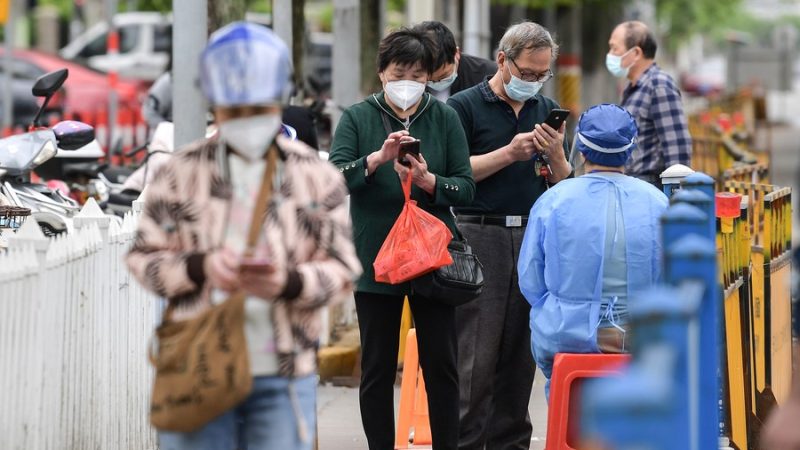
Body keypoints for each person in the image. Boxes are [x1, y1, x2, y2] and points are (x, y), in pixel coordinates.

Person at [125, 22, 362, 450]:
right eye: (234, 108)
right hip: (197, 367)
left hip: (283, 371)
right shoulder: (180, 173)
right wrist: (200, 267)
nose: (245, 119)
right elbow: (143, 259)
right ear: (214, 102)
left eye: (256, 107)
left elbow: (344, 269)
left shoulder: (314, 176)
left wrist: (288, 282)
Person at [328, 27, 475, 450]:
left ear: (430, 76)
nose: (408, 82)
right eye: (399, 73)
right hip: (377, 260)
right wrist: (376, 159)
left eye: (418, 74)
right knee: (376, 367)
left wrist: (430, 182)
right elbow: (333, 181)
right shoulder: (358, 117)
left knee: (441, 364)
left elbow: (465, 187)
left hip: (432, 262)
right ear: (382, 74)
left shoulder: (444, 118)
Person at [446, 21, 572, 450]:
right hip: (479, 233)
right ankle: (467, 439)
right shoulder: (463, 107)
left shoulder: (545, 108)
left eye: (542, 75)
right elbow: (456, 173)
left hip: (532, 235)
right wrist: (509, 153)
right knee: (476, 353)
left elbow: (562, 183)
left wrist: (555, 153)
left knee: (522, 349)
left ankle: (510, 441)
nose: (534, 83)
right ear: (502, 60)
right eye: (528, 73)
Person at [518, 103, 669, 394]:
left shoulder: (553, 201)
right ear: (630, 151)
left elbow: (531, 281)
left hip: (566, 338)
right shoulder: (658, 203)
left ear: (580, 150)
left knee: (567, 399)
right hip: (642, 338)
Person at [607, 20, 692, 189]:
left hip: (651, 186)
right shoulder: (632, 87)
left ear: (636, 52)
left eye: (615, 48)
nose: (610, 54)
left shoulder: (658, 85)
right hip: (633, 184)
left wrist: (677, 197)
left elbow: (677, 147)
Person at [413, 20, 497, 102]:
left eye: (443, 76)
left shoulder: (489, 75)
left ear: (456, 53)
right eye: (429, 80)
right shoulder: (408, 77)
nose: (436, 83)